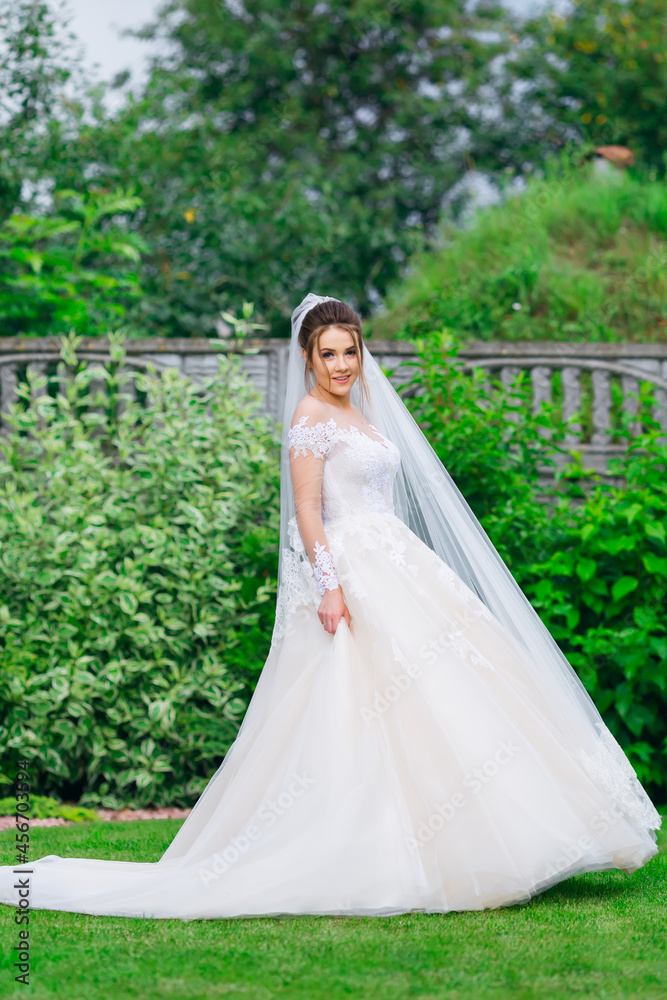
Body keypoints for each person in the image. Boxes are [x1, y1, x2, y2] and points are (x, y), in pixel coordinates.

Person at [0, 292, 661, 919]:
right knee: (368, 705)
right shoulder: (310, 418)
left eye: (350, 352)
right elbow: (309, 512)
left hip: (397, 562)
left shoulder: (360, 415)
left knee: (452, 692)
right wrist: (330, 586)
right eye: (329, 355)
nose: (341, 365)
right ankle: (391, 849)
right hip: (351, 569)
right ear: (308, 360)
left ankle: (499, 838)